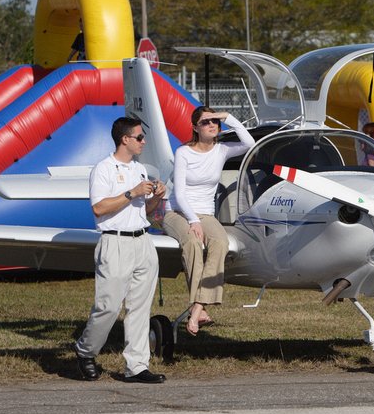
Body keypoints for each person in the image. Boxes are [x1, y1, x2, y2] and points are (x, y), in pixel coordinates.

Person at [73, 116, 167, 384]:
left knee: (140, 307)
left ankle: (137, 366)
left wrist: (156, 197)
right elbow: (99, 208)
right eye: (139, 137)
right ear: (125, 139)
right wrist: (131, 192)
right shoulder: (103, 169)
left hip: (142, 241)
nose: (143, 141)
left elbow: (144, 211)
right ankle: (85, 350)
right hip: (114, 242)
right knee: (108, 307)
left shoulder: (140, 169)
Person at [163, 106, 255, 336]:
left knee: (221, 243)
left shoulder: (222, 150)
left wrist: (228, 117)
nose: (212, 125)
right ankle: (199, 308)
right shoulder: (183, 152)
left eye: (215, 121)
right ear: (195, 128)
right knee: (193, 243)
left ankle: (198, 307)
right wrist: (192, 221)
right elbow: (180, 194)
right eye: (206, 122)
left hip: (206, 214)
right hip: (178, 212)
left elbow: (250, 144)